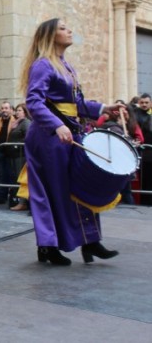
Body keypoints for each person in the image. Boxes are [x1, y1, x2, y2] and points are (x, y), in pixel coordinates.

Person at [20, 18, 122, 265]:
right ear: (51, 36)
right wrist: (57, 126)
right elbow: (34, 101)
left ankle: (90, 241)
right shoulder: (43, 65)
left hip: (69, 133)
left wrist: (103, 108)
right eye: (63, 28)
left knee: (80, 184)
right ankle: (48, 246)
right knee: (52, 191)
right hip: (48, 137)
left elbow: (75, 105)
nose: (70, 31)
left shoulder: (66, 66)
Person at [0, 101, 16, 205]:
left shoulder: (15, 121)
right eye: (2, 108)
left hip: (11, 152)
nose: (4, 110)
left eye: (6, 108)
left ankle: (12, 197)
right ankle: (0, 196)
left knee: (11, 174)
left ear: (11, 110)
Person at [8, 103, 31, 211]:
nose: (17, 112)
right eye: (16, 110)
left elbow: (28, 137)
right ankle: (20, 201)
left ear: (25, 112)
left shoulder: (26, 123)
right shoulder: (16, 123)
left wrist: (17, 144)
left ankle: (23, 202)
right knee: (16, 177)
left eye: (20, 110)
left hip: (21, 154)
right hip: (14, 154)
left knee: (21, 179)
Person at [135, 93, 152, 205]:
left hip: (149, 152)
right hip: (142, 152)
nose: (144, 105)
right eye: (142, 103)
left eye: (146, 102)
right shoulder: (136, 115)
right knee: (144, 179)